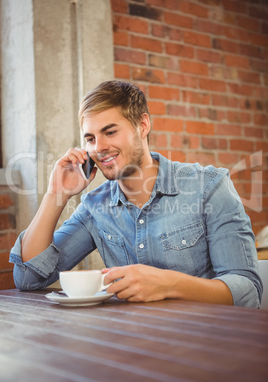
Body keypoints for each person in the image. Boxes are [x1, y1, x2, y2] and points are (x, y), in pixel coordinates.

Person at [10, 80, 262, 307]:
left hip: (206, 343)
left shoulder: (209, 186)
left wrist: (168, 284)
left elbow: (247, 290)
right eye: (90, 139)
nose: (99, 148)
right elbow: (28, 278)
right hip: (130, 346)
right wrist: (56, 194)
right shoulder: (94, 208)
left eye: (110, 132)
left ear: (142, 125)